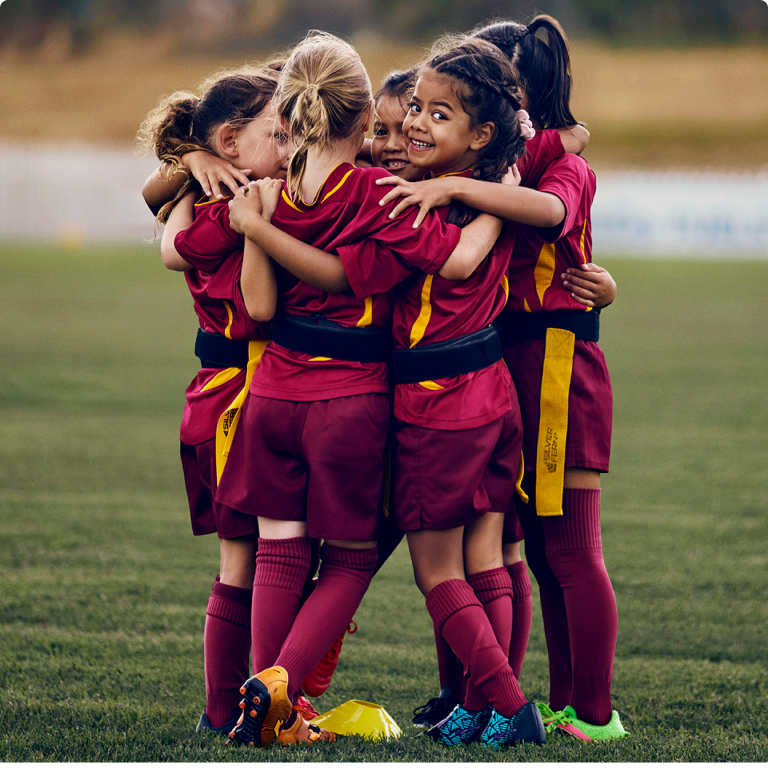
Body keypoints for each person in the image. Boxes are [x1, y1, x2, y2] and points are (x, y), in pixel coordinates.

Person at [233, 36, 586, 749]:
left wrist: (249, 221)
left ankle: (501, 704)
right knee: (484, 556)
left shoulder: (375, 193)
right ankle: (477, 704)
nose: (405, 137)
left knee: (430, 570)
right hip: (482, 390)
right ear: (362, 119)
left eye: (425, 116)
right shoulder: (436, 190)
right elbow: (524, 214)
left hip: (431, 400)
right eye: (398, 120)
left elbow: (439, 261)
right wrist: (501, 190)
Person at [379, 15, 626, 742]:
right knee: (507, 545)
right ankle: (497, 696)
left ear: (514, 99)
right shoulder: (497, 161)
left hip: (552, 364)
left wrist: (463, 179)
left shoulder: (553, 164)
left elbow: (552, 211)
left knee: (568, 546)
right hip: (493, 363)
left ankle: (591, 712)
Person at [136, 66, 293, 737]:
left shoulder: (210, 193)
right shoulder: (239, 206)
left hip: (231, 395)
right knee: (251, 561)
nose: (293, 146)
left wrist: (187, 160)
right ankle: (234, 706)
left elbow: (165, 227)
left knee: (260, 560)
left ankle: (236, 706)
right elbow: (177, 248)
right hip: (240, 397)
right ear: (231, 141)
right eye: (279, 133)